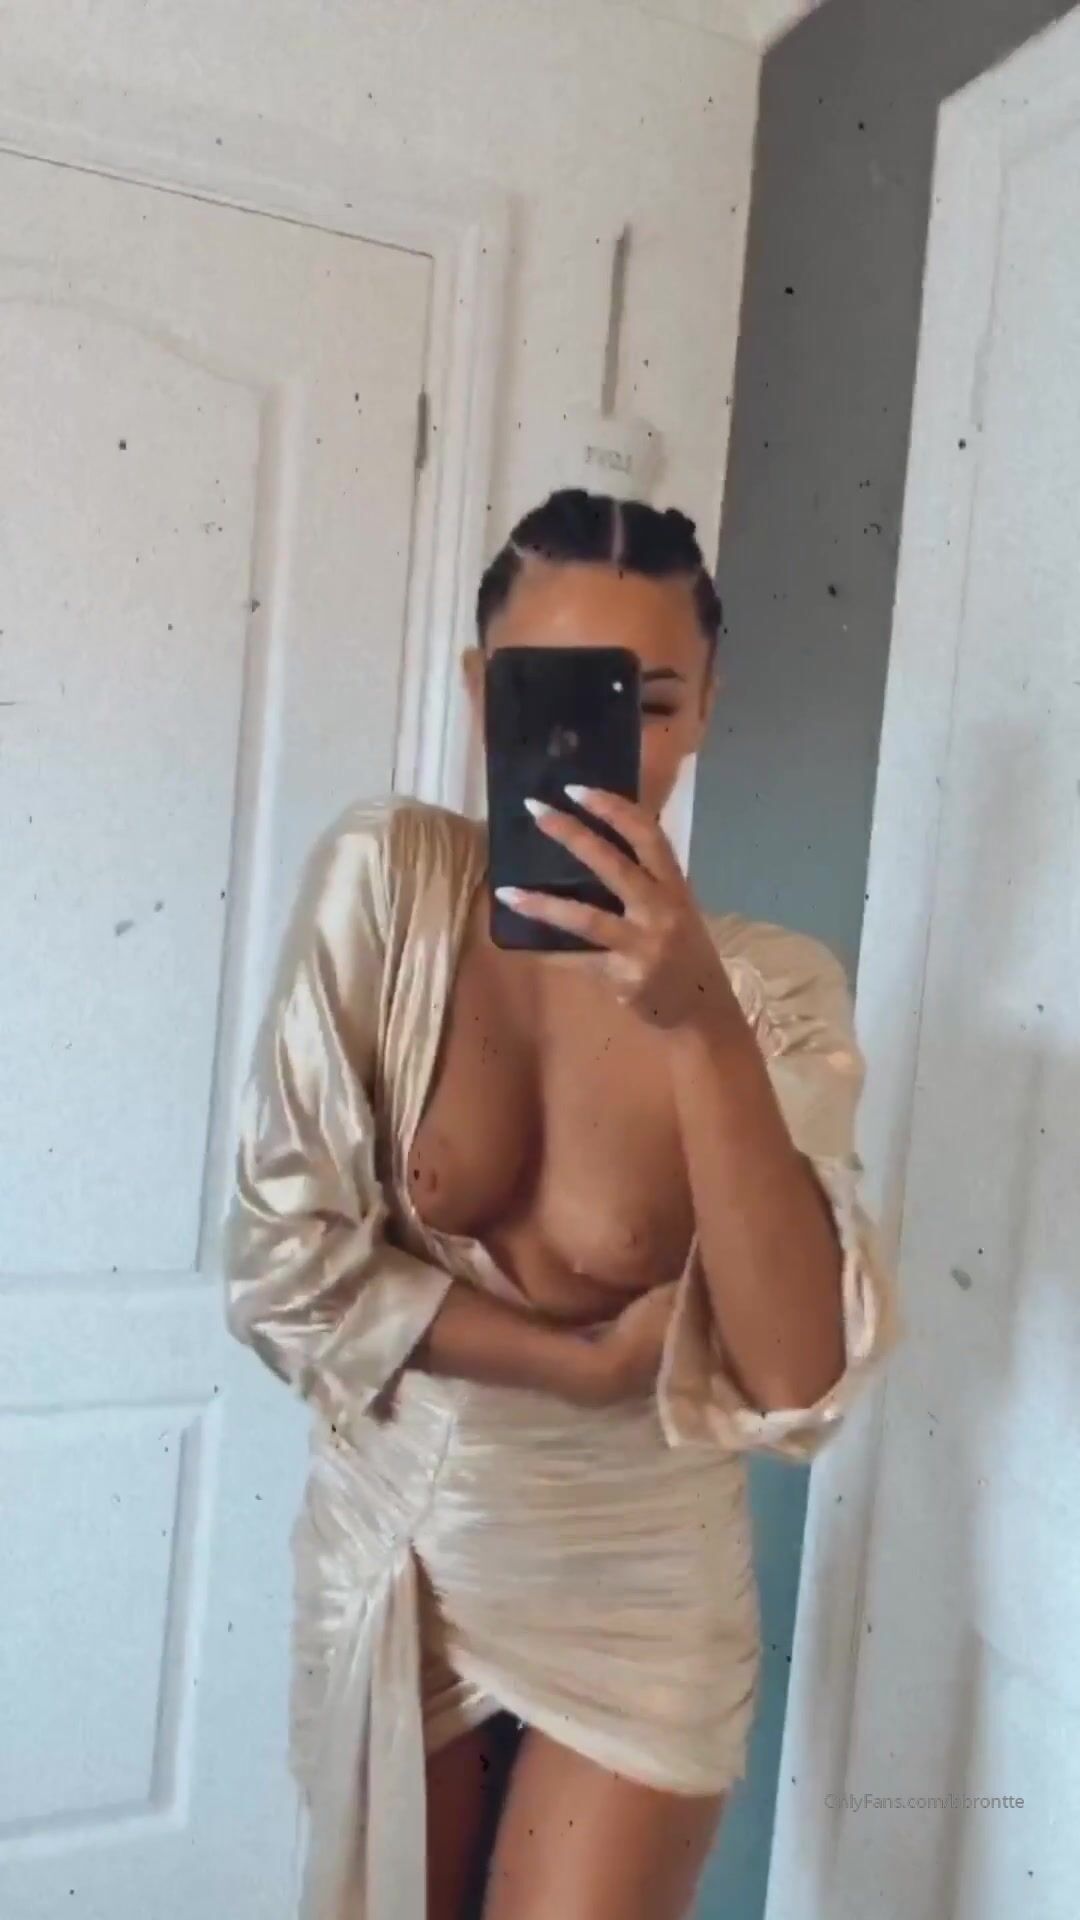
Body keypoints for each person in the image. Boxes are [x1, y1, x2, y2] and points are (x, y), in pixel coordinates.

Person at [224, 489, 899, 1920]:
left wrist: (699, 1023)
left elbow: (798, 1379)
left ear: (707, 708)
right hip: (402, 1540)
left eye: (648, 702)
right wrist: (575, 1362)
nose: (604, 750)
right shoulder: (388, 883)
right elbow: (281, 1265)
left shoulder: (773, 989)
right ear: (481, 694)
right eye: (549, 695)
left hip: (640, 1580)